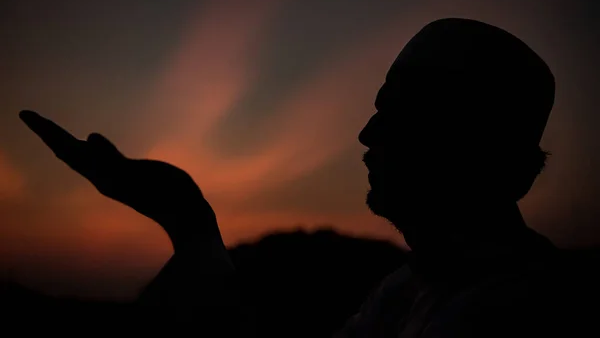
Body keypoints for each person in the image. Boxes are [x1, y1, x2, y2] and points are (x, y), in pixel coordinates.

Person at [19, 18, 564, 336]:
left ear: (469, 139)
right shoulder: (406, 291)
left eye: (398, 111)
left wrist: (189, 226)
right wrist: (189, 220)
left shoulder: (519, 315)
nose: (366, 134)